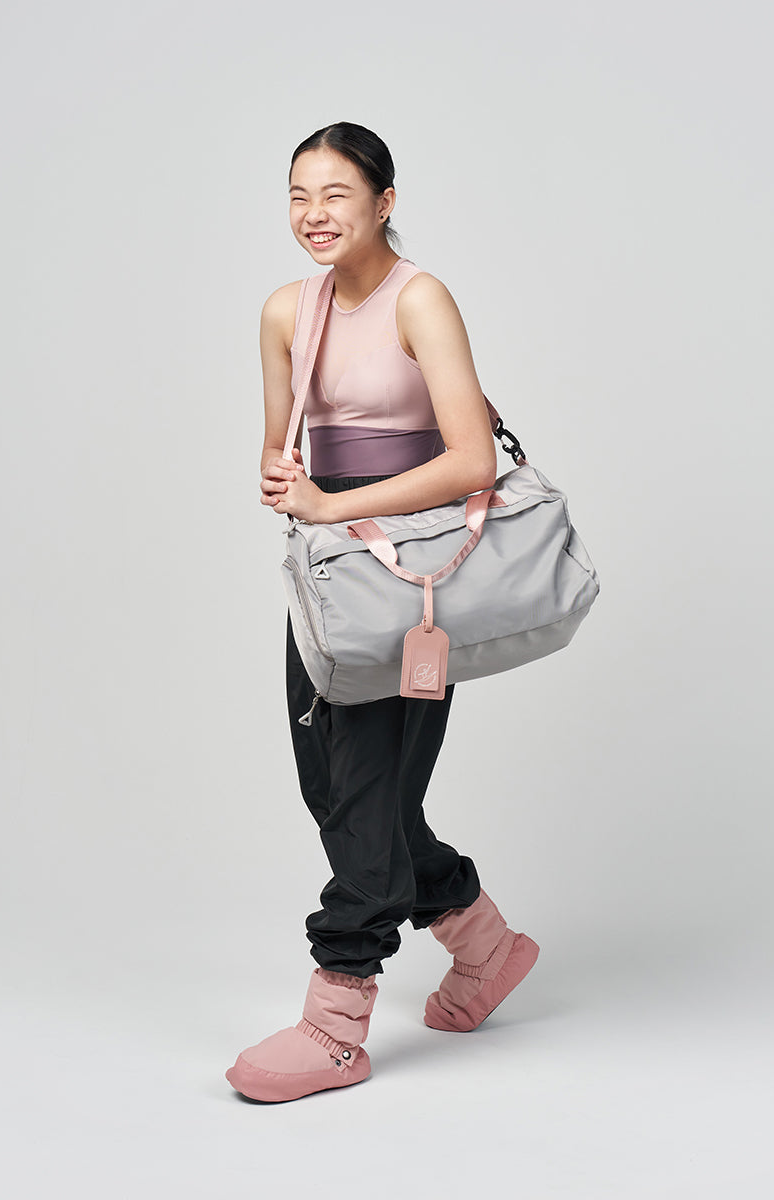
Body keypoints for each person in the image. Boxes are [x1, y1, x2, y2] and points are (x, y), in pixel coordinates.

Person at [226, 122, 538, 1103]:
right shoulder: (286, 310)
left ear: (384, 201)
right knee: (343, 788)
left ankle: (336, 1020)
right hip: (329, 576)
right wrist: (284, 479)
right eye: (298, 195)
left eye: (336, 194)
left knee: (365, 788)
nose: (313, 214)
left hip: (415, 575)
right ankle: (485, 945)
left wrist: (332, 505)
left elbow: (471, 459)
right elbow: (282, 449)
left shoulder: (420, 298)